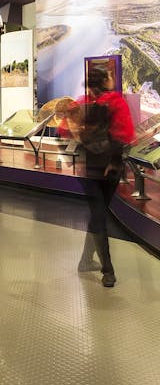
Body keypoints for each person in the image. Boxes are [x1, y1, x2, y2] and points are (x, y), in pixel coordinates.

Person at [61, 66, 135, 287]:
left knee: (97, 214)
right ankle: (108, 271)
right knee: (99, 216)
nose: (112, 79)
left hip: (87, 168)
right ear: (104, 80)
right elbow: (126, 134)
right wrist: (113, 160)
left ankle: (86, 260)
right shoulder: (116, 102)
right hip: (110, 169)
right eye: (110, 76)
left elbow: (64, 130)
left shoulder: (81, 103)